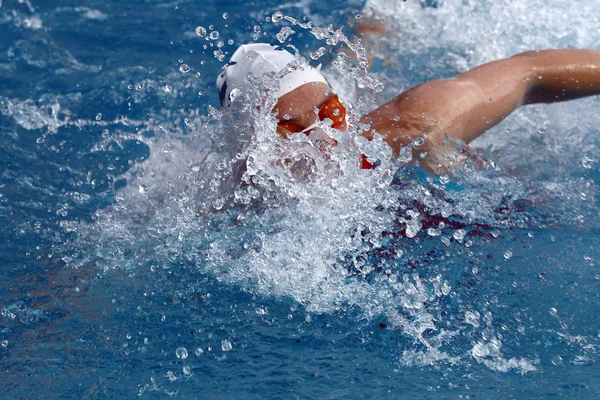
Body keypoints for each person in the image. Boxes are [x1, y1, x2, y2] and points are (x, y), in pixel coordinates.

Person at [217, 43, 600, 173]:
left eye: (331, 113)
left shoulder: (409, 128)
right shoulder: (218, 208)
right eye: (290, 131)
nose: (326, 143)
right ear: (253, 146)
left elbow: (527, 71)